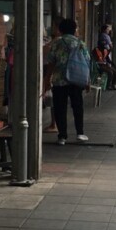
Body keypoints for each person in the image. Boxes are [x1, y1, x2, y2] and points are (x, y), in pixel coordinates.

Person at [43, 18, 89, 146]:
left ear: (60, 30)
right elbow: (86, 63)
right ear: (74, 30)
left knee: (60, 108)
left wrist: (47, 79)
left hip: (59, 81)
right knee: (77, 106)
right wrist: (87, 81)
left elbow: (51, 62)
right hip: (76, 80)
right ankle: (80, 133)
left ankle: (62, 136)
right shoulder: (80, 43)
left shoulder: (57, 43)